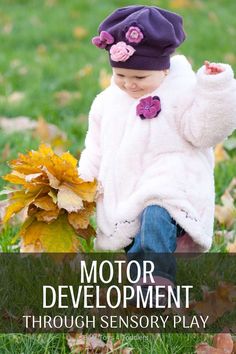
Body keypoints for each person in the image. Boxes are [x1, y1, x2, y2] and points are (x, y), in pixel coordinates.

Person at [78, 5, 236, 293]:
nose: (129, 84)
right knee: (135, 236)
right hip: (126, 188)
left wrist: (215, 91)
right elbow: (95, 147)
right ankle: (143, 280)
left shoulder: (184, 92)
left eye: (139, 78)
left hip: (174, 185)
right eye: (120, 75)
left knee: (155, 214)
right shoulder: (106, 102)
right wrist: (82, 183)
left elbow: (205, 132)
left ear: (164, 68)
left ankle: (157, 279)